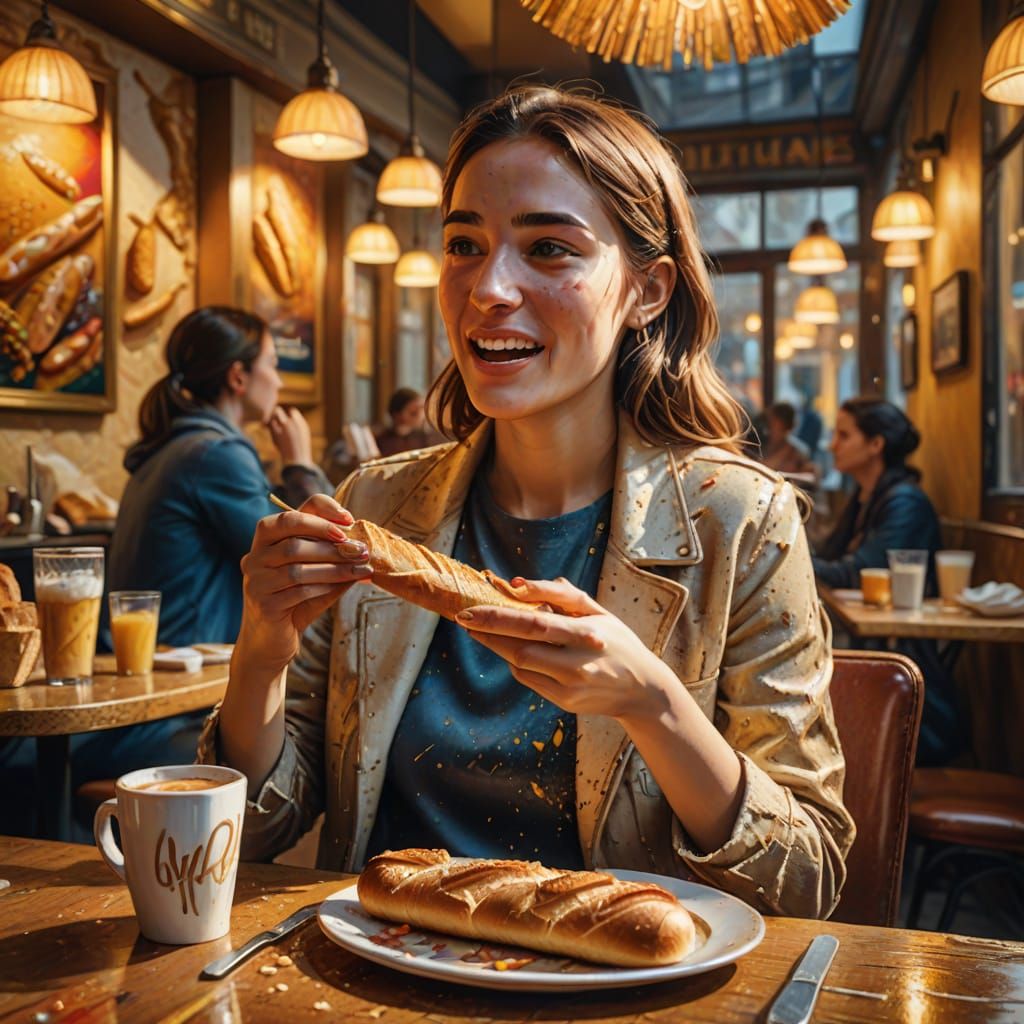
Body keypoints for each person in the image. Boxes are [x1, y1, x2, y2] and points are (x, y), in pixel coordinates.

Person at [202, 87, 854, 919]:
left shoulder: (743, 522)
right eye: (464, 244)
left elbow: (808, 881)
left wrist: (653, 704)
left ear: (647, 291)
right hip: (382, 972)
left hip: (618, 994)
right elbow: (258, 831)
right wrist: (260, 649)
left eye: (548, 248)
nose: (488, 289)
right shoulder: (377, 504)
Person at [107, 306, 332, 646]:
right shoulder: (215, 454)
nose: (280, 381)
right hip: (186, 668)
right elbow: (303, 555)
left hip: (157, 654)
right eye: (272, 364)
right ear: (238, 376)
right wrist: (299, 464)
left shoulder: (183, 444)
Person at [813, 397, 963, 765]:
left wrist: (788, 553)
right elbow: (833, 559)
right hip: (878, 645)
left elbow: (859, 573)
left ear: (876, 445)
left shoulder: (904, 502)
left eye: (843, 435)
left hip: (901, 657)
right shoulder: (867, 498)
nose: (833, 444)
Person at [373, 387, 439, 457]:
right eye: (413, 413)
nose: (421, 416)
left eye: (421, 409)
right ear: (397, 415)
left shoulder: (425, 438)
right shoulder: (381, 440)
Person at [760, 402, 816, 477]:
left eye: (773, 422)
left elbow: (810, 476)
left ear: (782, 424)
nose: (769, 426)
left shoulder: (799, 451)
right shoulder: (762, 444)